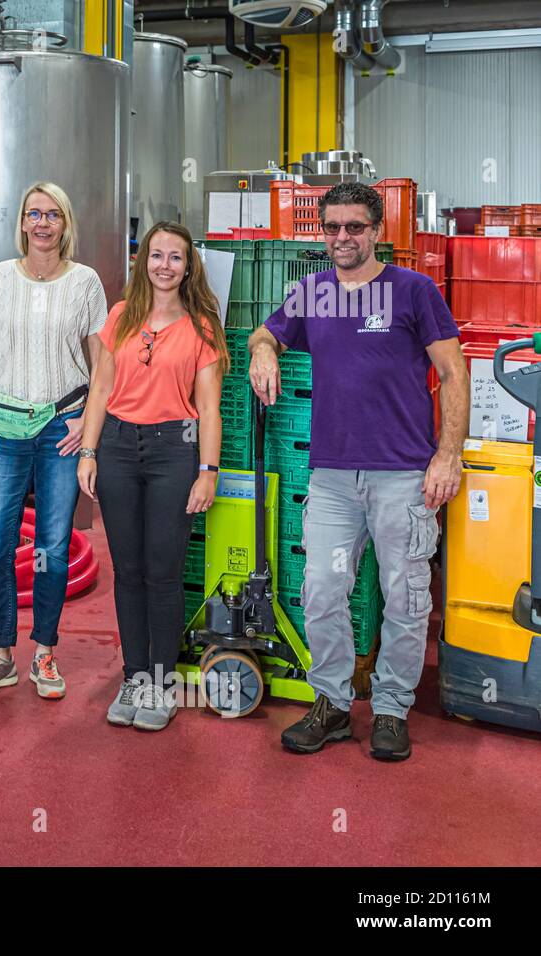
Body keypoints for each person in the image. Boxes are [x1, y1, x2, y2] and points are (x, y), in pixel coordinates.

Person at [248, 181, 467, 761]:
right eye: (332, 227)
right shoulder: (314, 293)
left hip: (402, 476)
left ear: (376, 232)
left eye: (354, 227)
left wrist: (448, 454)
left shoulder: (414, 290)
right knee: (322, 589)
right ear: (322, 232)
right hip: (333, 479)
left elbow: (454, 371)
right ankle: (333, 703)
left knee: (405, 594)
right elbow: (265, 330)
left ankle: (392, 709)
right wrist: (264, 348)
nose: (342, 237)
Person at [77, 221, 228, 731]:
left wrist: (208, 472)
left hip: (173, 452)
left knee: (163, 573)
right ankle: (134, 675)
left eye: (176, 258)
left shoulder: (202, 325)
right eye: (157, 255)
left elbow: (209, 410)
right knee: (129, 571)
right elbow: (99, 390)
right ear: (144, 262)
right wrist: (89, 452)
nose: (165, 265)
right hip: (118, 446)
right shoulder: (120, 316)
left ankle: (162, 682)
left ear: (189, 267)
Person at [0, 182, 107, 700]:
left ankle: (44, 651)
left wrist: (87, 426)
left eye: (53, 215)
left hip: (60, 430)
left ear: (65, 224)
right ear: (22, 222)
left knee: (50, 546)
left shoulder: (86, 282)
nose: (42, 223)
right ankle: (1, 654)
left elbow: (101, 364)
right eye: (33, 214)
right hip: (2, 430)